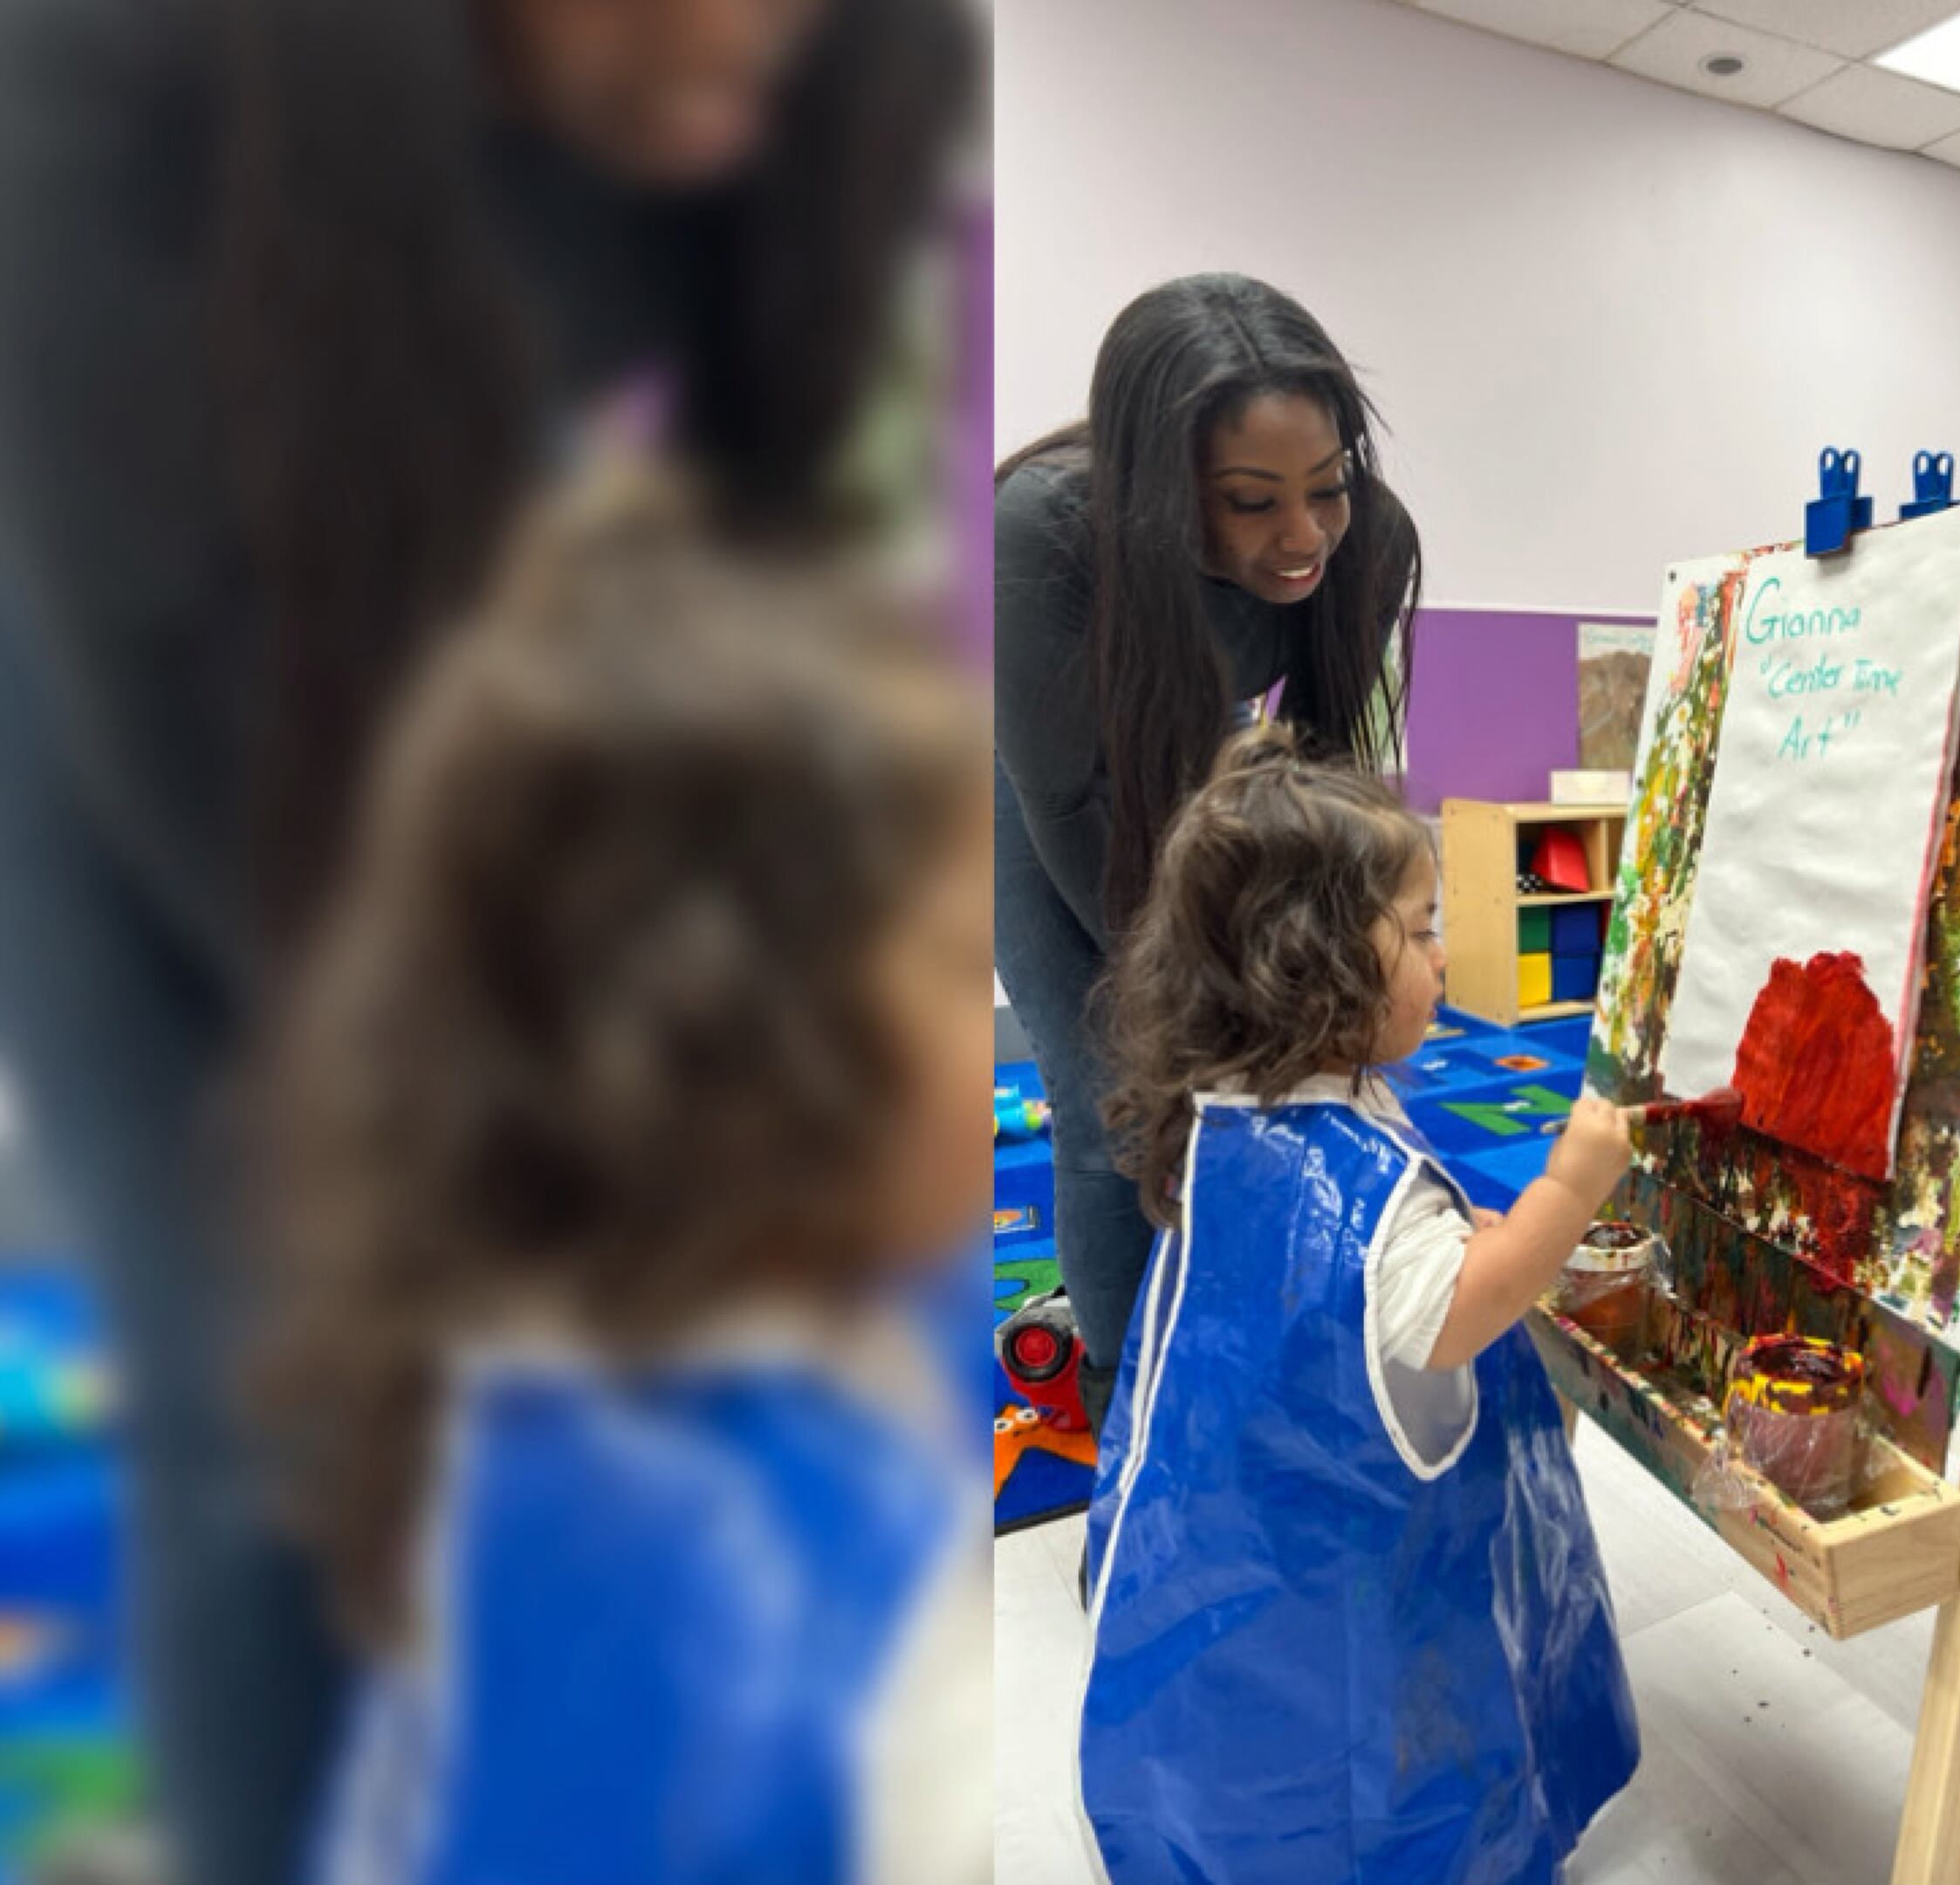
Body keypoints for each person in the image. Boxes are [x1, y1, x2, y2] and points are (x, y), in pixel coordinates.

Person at [0, 2, 970, 1875]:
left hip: (458, 502)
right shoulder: (97, 75)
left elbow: (770, 529)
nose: (744, 78)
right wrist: (489, 1120)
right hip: (116, 661)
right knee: (259, 1396)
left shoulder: (835, 62)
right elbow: (165, 664)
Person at [257, 483, 993, 1882]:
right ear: (751, 1044)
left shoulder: (501, 1396)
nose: (991, 1021)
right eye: (964, 965)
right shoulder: (854, 1641)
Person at [1079, 728, 1640, 1882]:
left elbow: (1360, 1279)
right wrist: (1571, 1185)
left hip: (1204, 1543)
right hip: (1332, 1588)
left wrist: (1440, 1245)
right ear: (1314, 965)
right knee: (1363, 1791)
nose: (1446, 956)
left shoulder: (1230, 1104)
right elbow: (1459, 1313)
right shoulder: (1355, 1188)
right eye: (1425, 931)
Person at [995, 272, 1420, 1434]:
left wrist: (1321, 979)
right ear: (1157, 492)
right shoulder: (1036, 534)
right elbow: (1069, 795)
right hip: (1029, 777)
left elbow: (1322, 791)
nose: (1301, 540)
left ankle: (1240, 1327)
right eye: (1248, 502)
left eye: (1324, 488)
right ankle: (1123, 1401)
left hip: (1188, 739)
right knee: (1117, 1095)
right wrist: (1191, 993)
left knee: (1277, 1065)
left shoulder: (1363, 544)